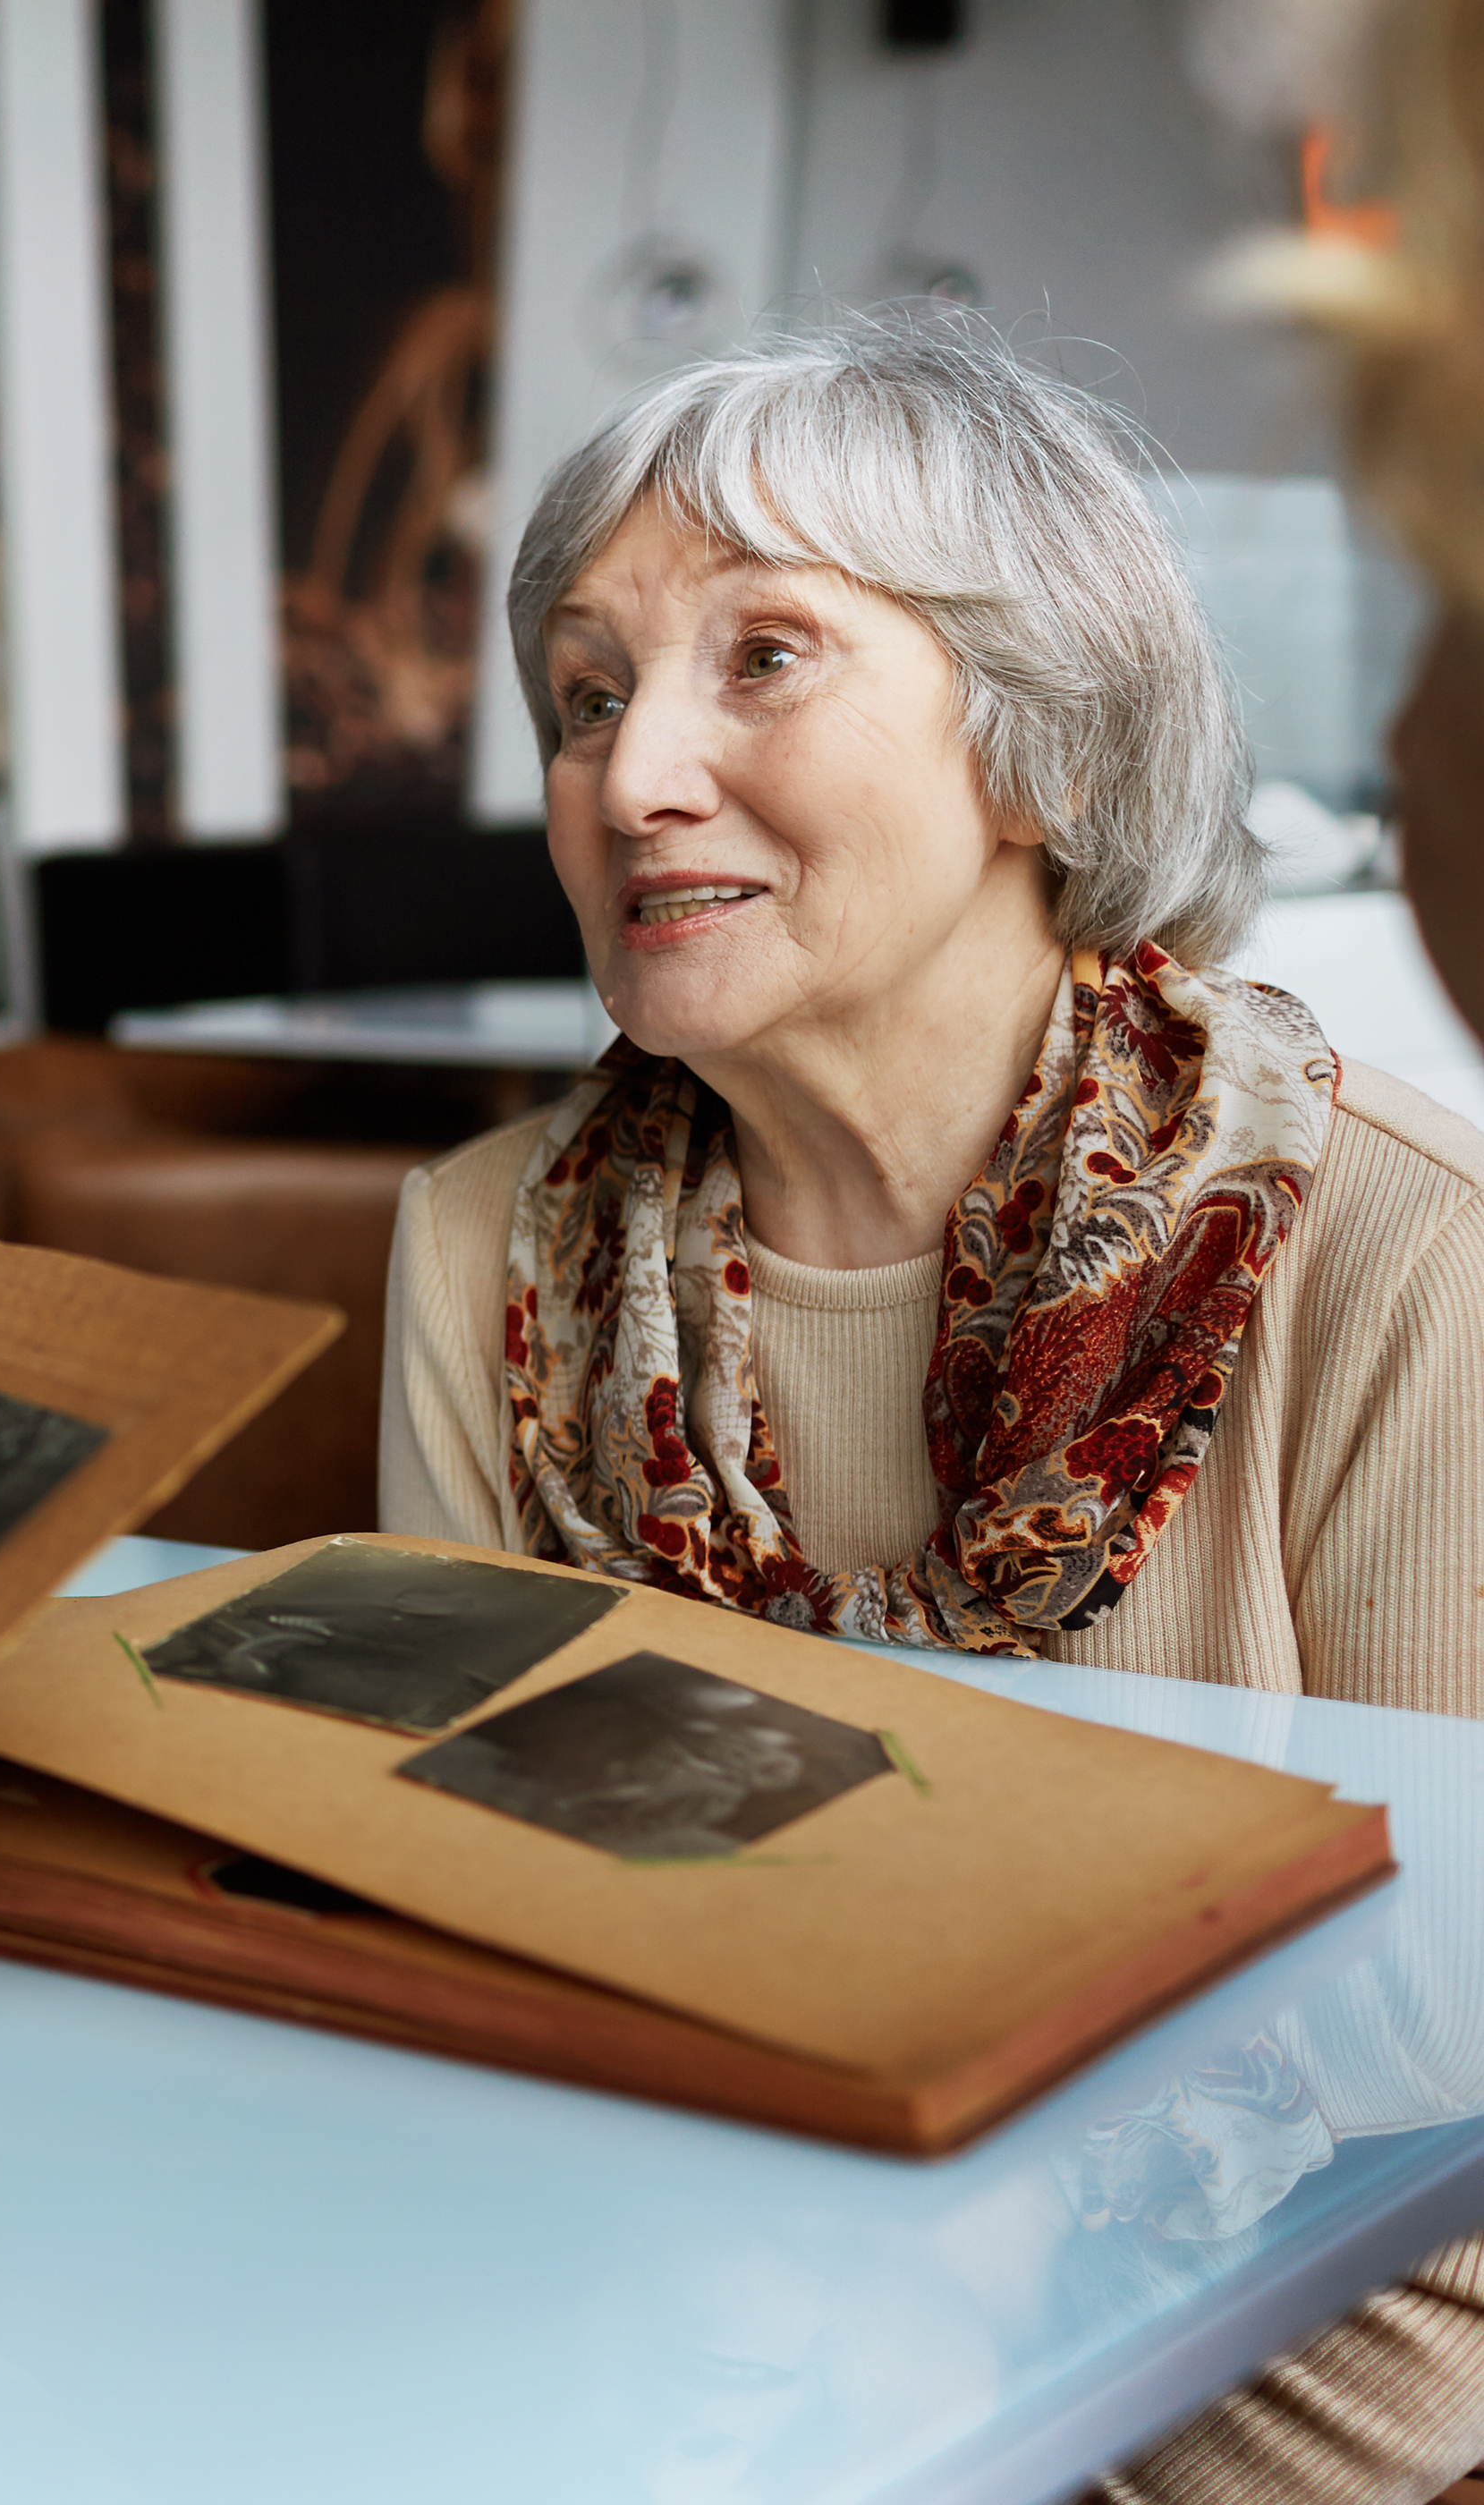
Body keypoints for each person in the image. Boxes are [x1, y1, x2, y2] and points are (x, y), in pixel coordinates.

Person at [378, 310, 1484, 2502]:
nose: (631, 772)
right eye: (585, 698)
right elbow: (455, 1903)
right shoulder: (480, 1245)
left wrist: (971, 2216)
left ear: (1045, 748)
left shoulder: (1396, 1237)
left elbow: (1453, 1996)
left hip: (1300, 2324)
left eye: (762, 657)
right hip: (700, 2302)